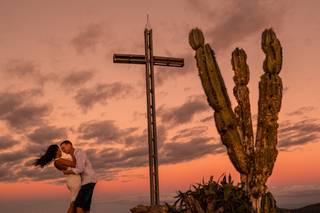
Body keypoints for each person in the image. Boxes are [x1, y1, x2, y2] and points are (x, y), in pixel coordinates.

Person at [34, 144, 81, 213]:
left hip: (72, 181)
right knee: (73, 204)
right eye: (59, 149)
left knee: (75, 204)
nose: (61, 151)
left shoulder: (58, 161)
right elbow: (75, 164)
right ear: (56, 151)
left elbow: (70, 168)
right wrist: (72, 152)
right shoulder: (58, 160)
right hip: (74, 182)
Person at [60, 140, 97, 213]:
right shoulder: (73, 156)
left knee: (78, 205)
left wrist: (67, 172)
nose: (63, 151)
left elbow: (80, 169)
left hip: (88, 180)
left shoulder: (79, 153)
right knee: (86, 208)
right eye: (62, 150)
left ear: (69, 145)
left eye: (63, 148)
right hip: (86, 181)